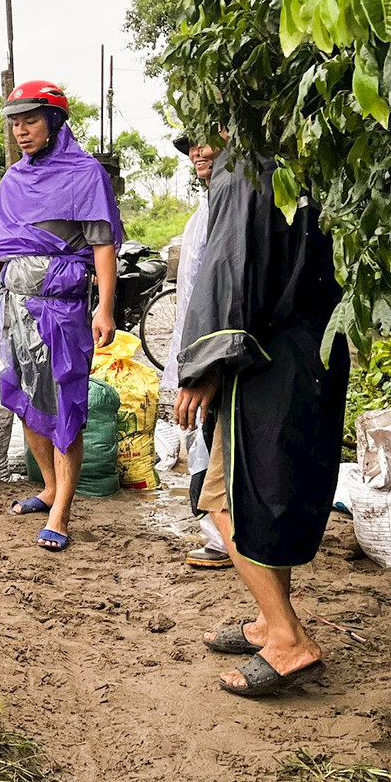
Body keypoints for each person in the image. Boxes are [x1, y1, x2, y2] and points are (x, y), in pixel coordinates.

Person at [174, 145, 349, 698]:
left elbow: (232, 270)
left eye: (205, 135)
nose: (198, 150)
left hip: (263, 354)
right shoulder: (302, 156)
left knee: (224, 497)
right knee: (270, 490)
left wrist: (204, 364)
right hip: (312, 346)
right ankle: (267, 619)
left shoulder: (242, 171)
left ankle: (286, 637)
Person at [0, 82, 120, 552]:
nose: (21, 131)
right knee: (27, 402)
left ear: (55, 120)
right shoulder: (15, 181)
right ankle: (47, 487)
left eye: (30, 121)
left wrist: (104, 306)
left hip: (61, 312)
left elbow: (103, 244)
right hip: (14, 309)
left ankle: (63, 510)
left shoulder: (85, 174)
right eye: (15, 123)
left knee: (63, 407)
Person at [161, 134, 230, 570]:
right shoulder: (206, 207)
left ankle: (226, 538)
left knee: (215, 441)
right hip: (199, 349)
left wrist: (205, 366)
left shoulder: (228, 205)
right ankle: (219, 533)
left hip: (214, 355)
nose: (197, 153)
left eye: (205, 144)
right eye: (191, 147)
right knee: (204, 440)